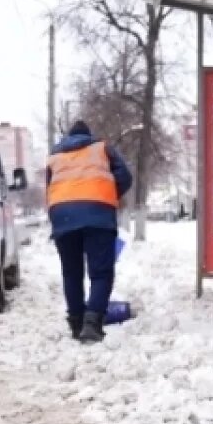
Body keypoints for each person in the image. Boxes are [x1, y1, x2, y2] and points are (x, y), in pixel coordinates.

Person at [46, 119, 133, 343]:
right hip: (97, 215)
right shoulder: (102, 148)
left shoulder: (54, 157)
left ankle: (76, 323)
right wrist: (109, 195)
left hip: (63, 218)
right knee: (101, 272)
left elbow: (50, 188)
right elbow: (125, 177)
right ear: (89, 135)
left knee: (71, 272)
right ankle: (92, 324)